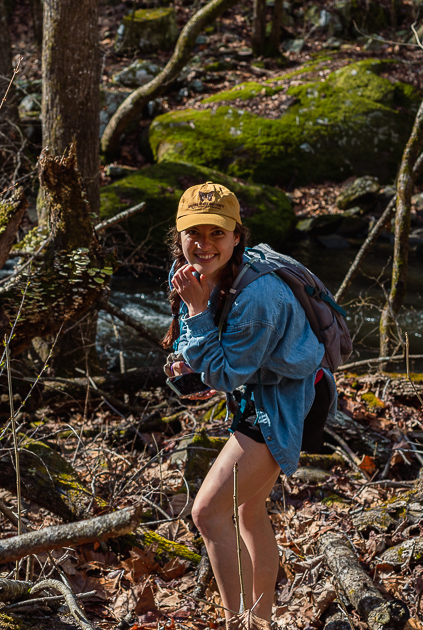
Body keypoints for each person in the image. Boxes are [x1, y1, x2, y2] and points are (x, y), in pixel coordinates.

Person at [162, 182, 335, 624]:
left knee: (206, 513)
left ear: (237, 235)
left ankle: (236, 622)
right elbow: (207, 358)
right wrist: (186, 365)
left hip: (286, 400)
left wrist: (199, 315)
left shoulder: (260, 297)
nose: (203, 245)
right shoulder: (187, 273)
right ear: (178, 236)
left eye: (216, 234)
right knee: (245, 509)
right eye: (193, 234)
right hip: (253, 391)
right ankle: (259, 620)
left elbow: (224, 373)